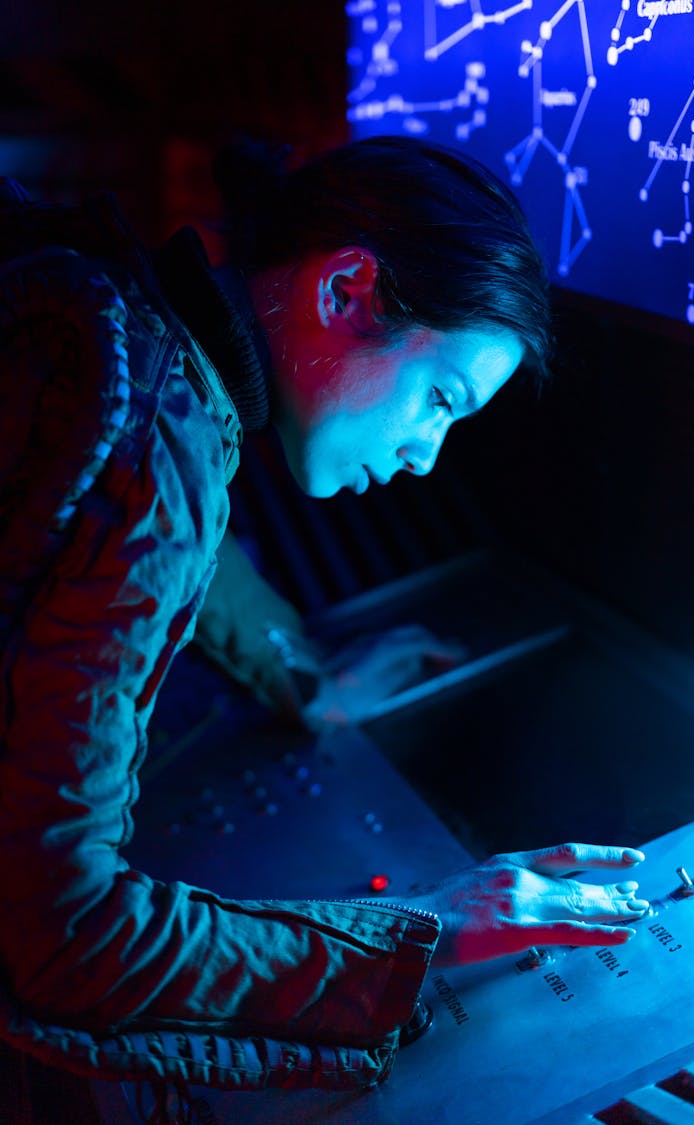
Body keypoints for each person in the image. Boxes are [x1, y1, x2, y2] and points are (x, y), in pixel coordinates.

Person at [0, 137, 649, 1111]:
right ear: (345, 290)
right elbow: (59, 934)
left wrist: (302, 677)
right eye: (440, 400)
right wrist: (423, 934)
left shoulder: (125, 332)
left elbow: (166, 519)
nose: (426, 457)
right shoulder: (146, 441)